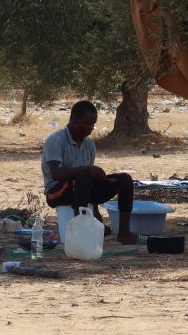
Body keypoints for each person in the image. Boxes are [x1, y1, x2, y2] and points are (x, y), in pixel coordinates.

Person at [42, 101, 137, 244]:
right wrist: (87, 169)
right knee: (81, 177)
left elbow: (88, 182)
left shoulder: (89, 145)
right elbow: (56, 174)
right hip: (56, 193)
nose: (91, 128)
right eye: (87, 124)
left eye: (93, 124)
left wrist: (96, 211)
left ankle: (124, 233)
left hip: (81, 188)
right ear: (74, 120)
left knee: (124, 179)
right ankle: (80, 231)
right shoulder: (55, 140)